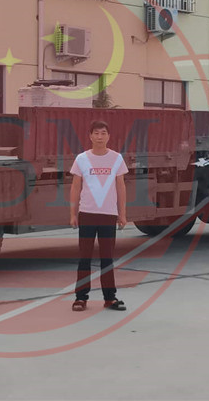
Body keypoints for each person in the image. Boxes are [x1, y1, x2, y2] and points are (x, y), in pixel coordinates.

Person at [69, 120, 128, 311]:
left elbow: (121, 187)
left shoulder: (116, 158)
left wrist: (122, 214)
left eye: (103, 133)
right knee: (84, 257)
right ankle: (80, 298)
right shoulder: (82, 159)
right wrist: (73, 213)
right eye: (96, 133)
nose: (100, 137)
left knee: (107, 258)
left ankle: (110, 298)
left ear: (108, 136)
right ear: (90, 136)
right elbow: (75, 187)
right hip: (87, 213)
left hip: (108, 215)